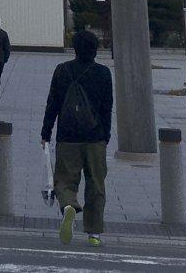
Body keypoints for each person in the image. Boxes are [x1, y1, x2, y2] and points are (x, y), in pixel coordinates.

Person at [42, 29, 114, 248]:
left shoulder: (62, 70)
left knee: (64, 179)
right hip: (95, 136)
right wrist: (106, 134)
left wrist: (46, 132)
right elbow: (107, 108)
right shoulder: (103, 73)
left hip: (67, 135)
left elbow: (52, 104)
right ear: (95, 49)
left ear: (75, 48)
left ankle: (69, 206)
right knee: (96, 184)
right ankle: (94, 232)